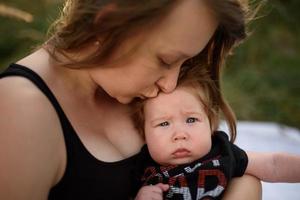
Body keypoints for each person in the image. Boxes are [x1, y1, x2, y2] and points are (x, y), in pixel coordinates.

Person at [0, 0, 261, 199]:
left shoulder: (135, 84)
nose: (170, 85)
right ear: (109, 23)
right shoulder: (22, 111)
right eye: (166, 61)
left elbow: (233, 174)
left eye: (184, 63)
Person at [132, 70, 300, 200]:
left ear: (211, 123)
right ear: (143, 133)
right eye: (164, 124)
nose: (179, 134)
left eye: (191, 120)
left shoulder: (222, 153)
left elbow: (273, 164)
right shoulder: (142, 167)